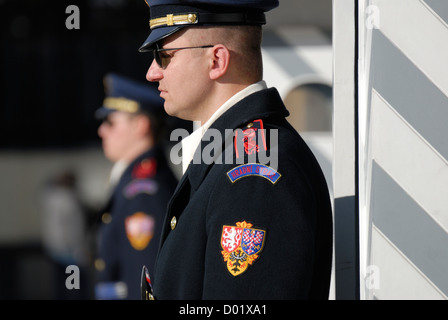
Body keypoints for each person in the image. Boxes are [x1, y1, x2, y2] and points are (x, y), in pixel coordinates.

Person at [139, 0, 333, 300]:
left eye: (164, 56)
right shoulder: (230, 154)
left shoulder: (253, 172)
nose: (153, 72)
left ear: (217, 60)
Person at [94, 73, 178, 300]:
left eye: (110, 122)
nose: (102, 131)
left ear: (141, 125)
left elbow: (144, 277)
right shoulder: (132, 180)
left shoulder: (145, 191)